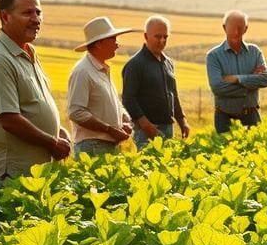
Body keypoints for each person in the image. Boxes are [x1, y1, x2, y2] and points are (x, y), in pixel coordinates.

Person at [0, 0, 70, 185]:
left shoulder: (29, 53)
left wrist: (57, 130)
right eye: (27, 13)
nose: (36, 19)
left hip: (36, 173)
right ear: (5, 17)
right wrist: (51, 142)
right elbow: (9, 119)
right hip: (14, 175)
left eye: (38, 12)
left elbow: (32, 105)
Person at [67, 16, 135, 158]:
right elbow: (76, 112)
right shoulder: (83, 71)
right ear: (99, 44)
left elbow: (115, 105)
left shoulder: (102, 69)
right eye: (113, 39)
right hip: (93, 146)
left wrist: (125, 120)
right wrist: (110, 130)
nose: (117, 44)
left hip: (105, 145)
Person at [121, 15, 189, 147]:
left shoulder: (168, 63)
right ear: (146, 36)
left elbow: (173, 94)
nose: (162, 40)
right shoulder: (135, 64)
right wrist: (148, 127)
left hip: (168, 127)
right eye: (158, 36)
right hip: (145, 131)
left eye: (166, 37)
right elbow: (128, 99)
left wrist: (182, 121)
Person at [206, 10, 267, 133]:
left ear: (246, 29)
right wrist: (251, 83)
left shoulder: (255, 51)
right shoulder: (213, 56)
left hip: (252, 117)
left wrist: (237, 79)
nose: (236, 32)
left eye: (240, 28)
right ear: (224, 28)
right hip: (225, 119)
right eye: (232, 28)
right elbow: (218, 87)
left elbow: (266, 79)